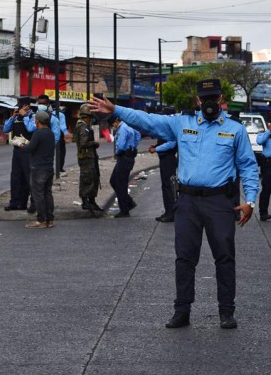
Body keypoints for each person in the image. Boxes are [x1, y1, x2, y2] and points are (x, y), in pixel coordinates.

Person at [89, 78, 259, 330]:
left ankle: (226, 311)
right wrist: (116, 110)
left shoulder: (235, 130)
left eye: (215, 97)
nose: (210, 102)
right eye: (206, 98)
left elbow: (248, 166)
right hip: (188, 201)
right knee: (184, 258)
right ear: (198, 101)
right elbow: (148, 120)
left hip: (220, 202)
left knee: (224, 258)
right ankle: (182, 311)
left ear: (222, 99)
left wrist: (251, 201)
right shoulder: (182, 124)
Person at [14, 111, 56, 229]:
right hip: (49, 168)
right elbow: (39, 146)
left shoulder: (38, 133)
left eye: (35, 120)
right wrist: (28, 142)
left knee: (38, 194)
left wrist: (20, 144)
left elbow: (30, 149)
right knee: (48, 193)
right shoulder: (50, 133)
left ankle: (40, 220)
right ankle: (50, 220)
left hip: (38, 168)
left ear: (38, 121)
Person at [3, 97, 37, 212]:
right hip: (17, 150)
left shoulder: (33, 116)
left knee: (28, 177)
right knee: (16, 177)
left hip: (28, 150)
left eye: (21, 106)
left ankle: (32, 203)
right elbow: (5, 129)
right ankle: (15, 202)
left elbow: (31, 128)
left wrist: (25, 116)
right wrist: (13, 117)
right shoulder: (16, 117)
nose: (19, 108)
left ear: (27, 106)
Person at [73, 104, 103, 212]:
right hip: (86, 157)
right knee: (87, 179)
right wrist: (94, 143)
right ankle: (85, 201)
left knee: (94, 178)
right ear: (87, 116)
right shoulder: (82, 127)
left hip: (90, 156)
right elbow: (83, 143)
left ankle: (92, 201)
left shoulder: (85, 126)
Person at [110, 117, 141, 218]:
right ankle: (128, 202)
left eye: (113, 124)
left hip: (124, 158)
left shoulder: (122, 129)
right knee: (113, 181)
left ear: (116, 121)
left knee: (120, 184)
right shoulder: (128, 127)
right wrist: (133, 146)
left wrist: (117, 152)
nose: (113, 126)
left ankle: (124, 210)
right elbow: (138, 135)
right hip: (128, 157)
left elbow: (121, 146)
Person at [149, 137, 177, 222]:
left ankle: (171, 213)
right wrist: (157, 145)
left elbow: (171, 144)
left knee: (169, 187)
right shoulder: (167, 128)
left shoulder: (170, 128)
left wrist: (156, 148)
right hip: (165, 159)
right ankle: (168, 211)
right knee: (165, 186)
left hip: (169, 159)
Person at [38, 94, 68, 172]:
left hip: (56, 134)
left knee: (60, 152)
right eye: (39, 103)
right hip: (43, 135)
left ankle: (59, 168)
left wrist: (64, 134)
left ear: (48, 104)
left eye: (43, 104)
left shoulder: (58, 114)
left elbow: (62, 126)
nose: (41, 105)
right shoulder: (37, 113)